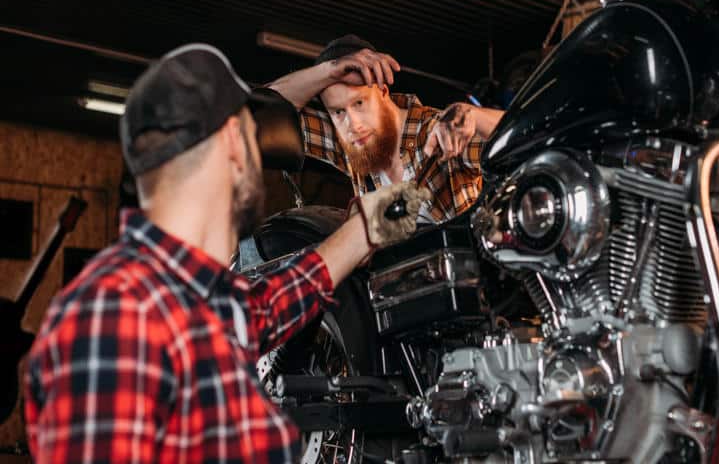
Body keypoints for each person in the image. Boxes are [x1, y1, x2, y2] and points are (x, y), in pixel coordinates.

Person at [24, 44, 428, 462]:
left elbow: (281, 297)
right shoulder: (117, 317)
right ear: (233, 145)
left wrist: (385, 216)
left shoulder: (190, 301)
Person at [268, 35, 504, 223]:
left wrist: (473, 115)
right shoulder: (350, 144)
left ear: (382, 91)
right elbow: (262, 111)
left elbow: (525, 135)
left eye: (359, 103)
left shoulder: (438, 133)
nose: (354, 124)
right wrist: (327, 71)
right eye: (338, 112)